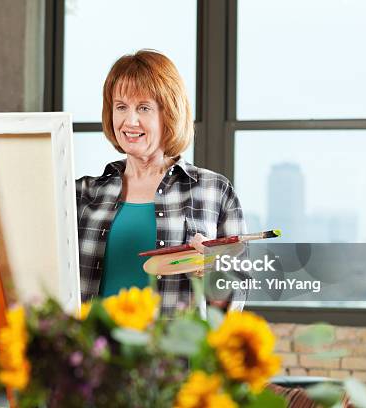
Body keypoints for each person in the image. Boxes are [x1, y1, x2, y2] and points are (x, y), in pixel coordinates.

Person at [76, 50, 247, 315]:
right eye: (121, 106)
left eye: (143, 108)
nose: (130, 121)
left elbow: (232, 304)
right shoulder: (81, 194)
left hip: (170, 356)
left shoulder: (215, 191)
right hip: (96, 354)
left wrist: (211, 268)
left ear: (169, 113)